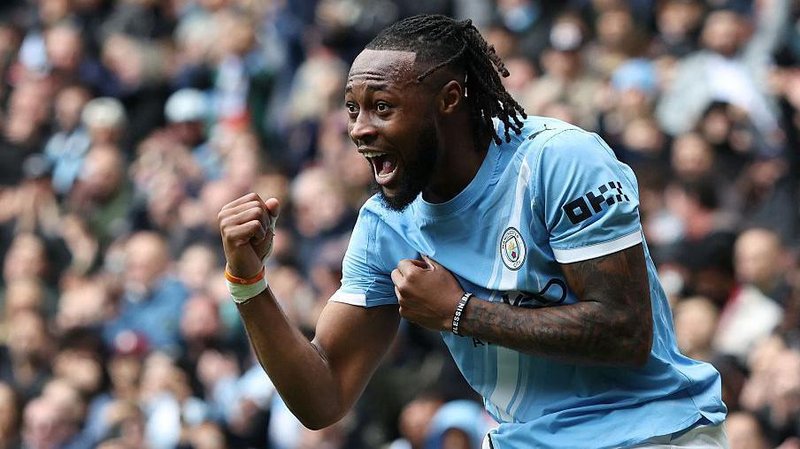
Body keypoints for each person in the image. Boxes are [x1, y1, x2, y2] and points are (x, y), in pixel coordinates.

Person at [217, 14, 727, 449]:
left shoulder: (559, 161)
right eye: (352, 109)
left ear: (450, 99)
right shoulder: (385, 224)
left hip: (652, 433)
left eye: (382, 107)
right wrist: (249, 282)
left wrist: (460, 313)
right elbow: (322, 396)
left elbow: (626, 330)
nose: (359, 129)